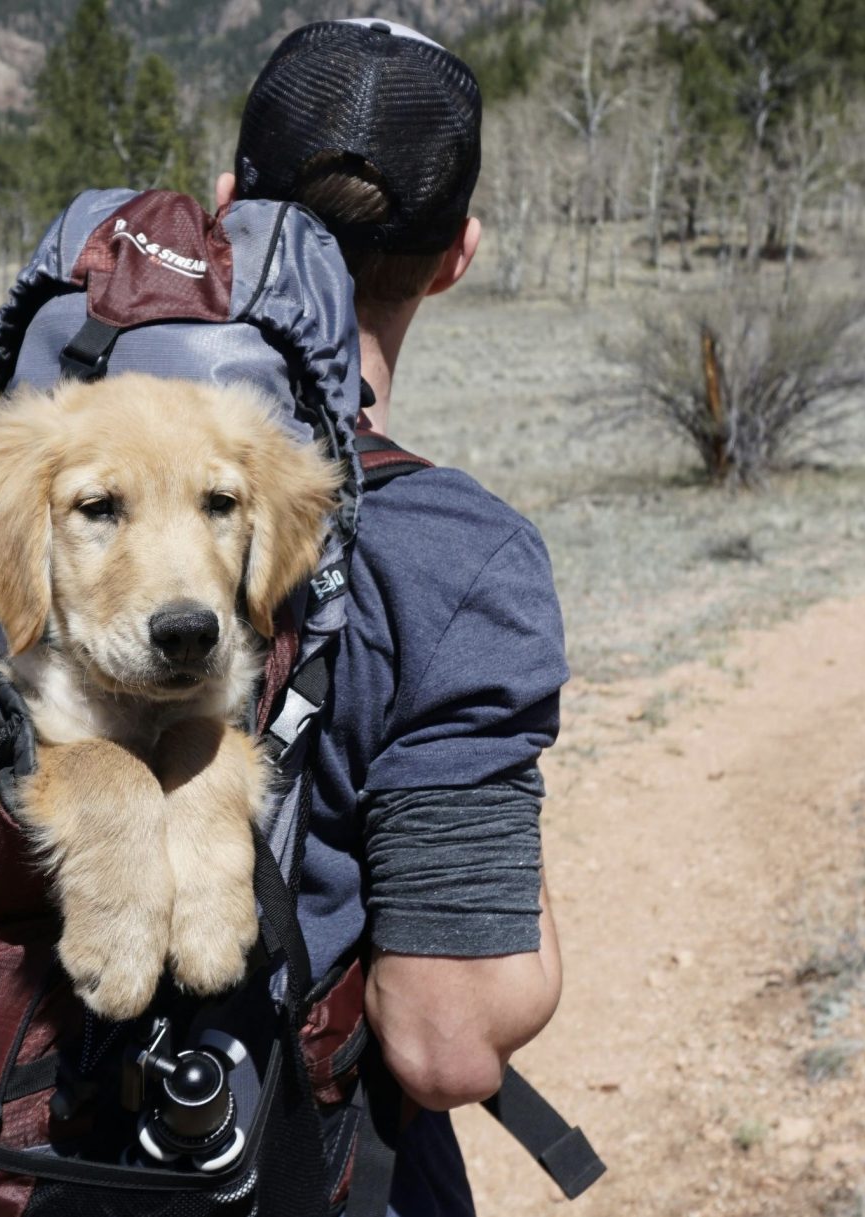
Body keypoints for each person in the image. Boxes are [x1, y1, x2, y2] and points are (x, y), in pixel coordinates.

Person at [220, 20, 569, 1215]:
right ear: (457, 254)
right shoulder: (453, 558)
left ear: (226, 207)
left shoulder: (50, 459)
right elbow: (445, 1040)